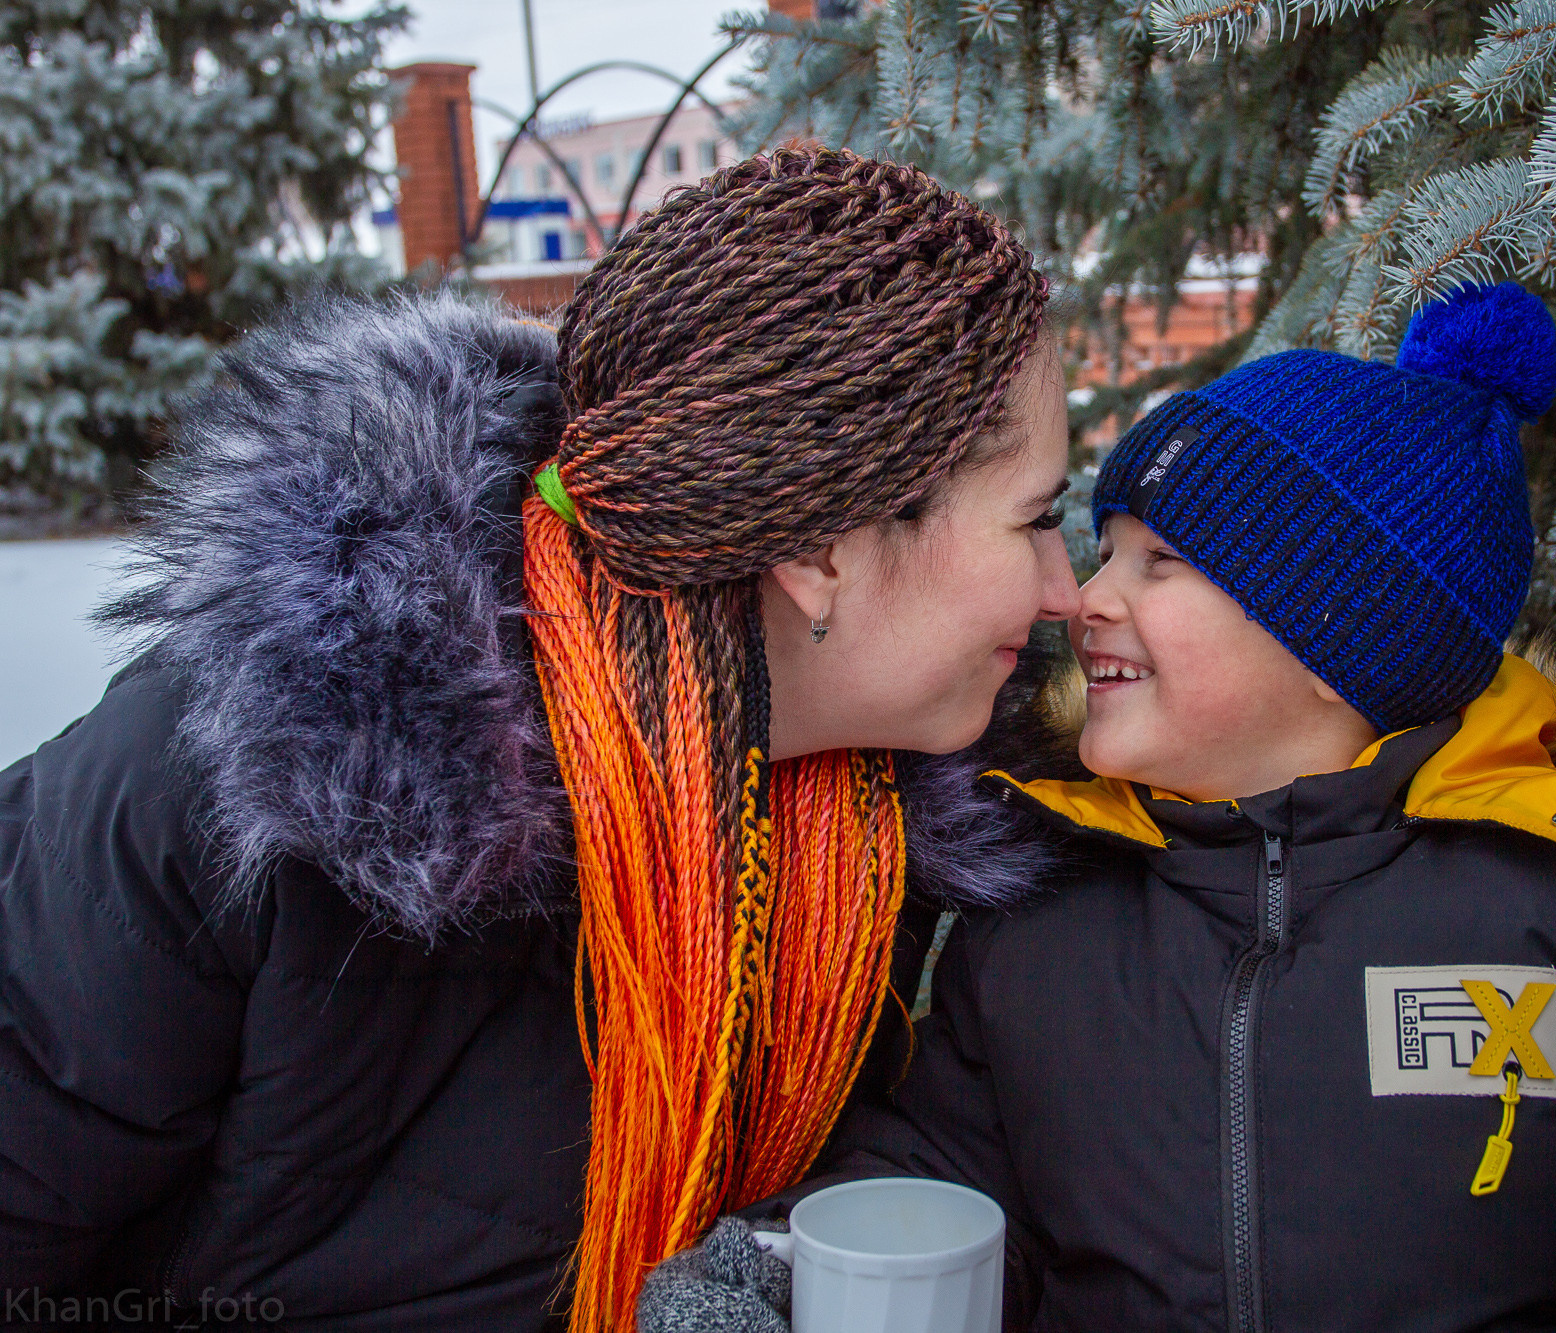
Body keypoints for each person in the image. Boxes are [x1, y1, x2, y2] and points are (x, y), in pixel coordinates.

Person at [640, 282, 1556, 1332]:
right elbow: (933, 1188)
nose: (1084, 597)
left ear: (1337, 639)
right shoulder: (1044, 907)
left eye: (1158, 564)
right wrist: (774, 1271)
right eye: (1103, 550)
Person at [0, 148, 1084, 1330]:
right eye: (1034, 520)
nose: (1065, 590)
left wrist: (784, 1263)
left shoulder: (872, 843)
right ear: (822, 547)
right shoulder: (245, 776)